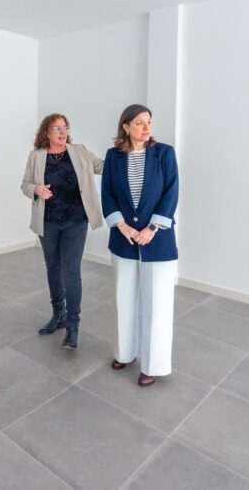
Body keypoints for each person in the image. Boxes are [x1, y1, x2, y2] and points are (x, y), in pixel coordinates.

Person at [101, 104, 179, 387]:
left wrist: (152, 228)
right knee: (122, 298)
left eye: (149, 122)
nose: (146, 128)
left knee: (157, 304)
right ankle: (124, 353)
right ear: (125, 126)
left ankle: (153, 364)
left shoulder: (164, 153)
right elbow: (107, 194)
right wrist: (122, 226)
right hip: (123, 239)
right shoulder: (113, 156)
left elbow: (171, 192)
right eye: (139, 123)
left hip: (157, 241)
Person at [20, 114, 104, 349]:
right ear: (46, 132)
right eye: (56, 128)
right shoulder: (36, 156)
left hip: (76, 221)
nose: (62, 131)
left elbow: (104, 167)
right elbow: (24, 184)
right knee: (53, 268)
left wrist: (127, 154)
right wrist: (36, 189)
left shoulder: (80, 151)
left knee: (71, 272)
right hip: (47, 222)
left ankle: (73, 325)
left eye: (65, 127)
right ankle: (59, 315)